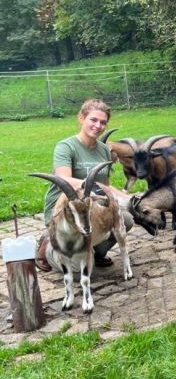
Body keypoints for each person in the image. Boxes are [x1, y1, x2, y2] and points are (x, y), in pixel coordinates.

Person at [35, 99, 132, 272]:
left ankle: (95, 252)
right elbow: (64, 178)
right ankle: (48, 249)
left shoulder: (103, 150)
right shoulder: (66, 147)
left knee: (127, 218)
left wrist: (131, 200)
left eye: (103, 122)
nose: (98, 125)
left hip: (91, 206)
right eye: (93, 120)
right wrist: (91, 184)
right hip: (66, 210)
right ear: (81, 118)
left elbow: (106, 187)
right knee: (78, 271)